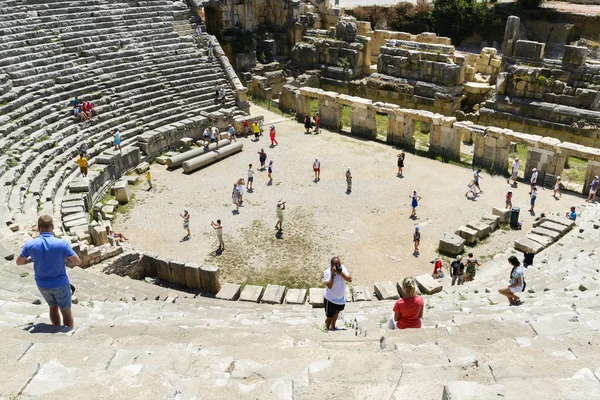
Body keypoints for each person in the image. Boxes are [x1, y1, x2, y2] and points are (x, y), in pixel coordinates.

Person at [16, 215, 81, 328]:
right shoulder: (61, 243)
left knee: (53, 307)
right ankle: (68, 333)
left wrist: (30, 260)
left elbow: (19, 262)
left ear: (38, 227)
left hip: (42, 284)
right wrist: (64, 258)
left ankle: (56, 329)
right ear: (53, 226)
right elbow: (76, 261)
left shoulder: (30, 244)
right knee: (66, 311)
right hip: (60, 283)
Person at [323, 257, 352, 331]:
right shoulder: (327, 272)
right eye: (336, 265)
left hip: (340, 299)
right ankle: (325, 329)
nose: (338, 267)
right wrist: (333, 275)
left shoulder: (342, 269)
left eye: (339, 264)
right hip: (330, 299)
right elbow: (329, 286)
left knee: (336, 313)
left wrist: (340, 273)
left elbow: (350, 279)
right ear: (331, 265)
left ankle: (333, 327)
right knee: (329, 317)